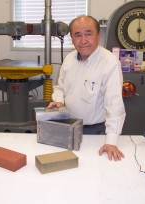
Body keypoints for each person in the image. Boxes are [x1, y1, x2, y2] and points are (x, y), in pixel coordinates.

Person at [47, 15, 126, 161]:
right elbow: (60, 87)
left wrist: (111, 142)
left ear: (98, 35)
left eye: (88, 34)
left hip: (95, 132)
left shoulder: (110, 63)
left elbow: (114, 105)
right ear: (72, 38)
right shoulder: (69, 59)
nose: (83, 41)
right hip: (68, 125)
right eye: (78, 35)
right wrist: (59, 101)